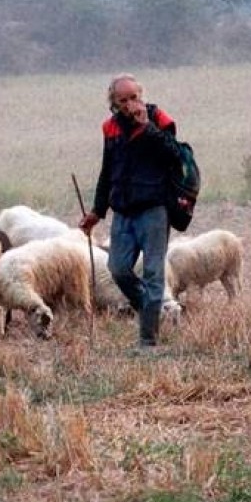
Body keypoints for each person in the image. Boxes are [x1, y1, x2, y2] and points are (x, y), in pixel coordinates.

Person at [78, 73, 183, 348]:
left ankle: (148, 341)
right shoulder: (110, 128)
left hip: (154, 210)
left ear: (141, 95)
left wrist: (147, 127)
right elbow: (107, 171)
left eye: (133, 97)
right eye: (122, 100)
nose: (129, 104)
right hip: (123, 213)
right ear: (113, 103)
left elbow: (174, 155)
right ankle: (151, 310)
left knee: (152, 273)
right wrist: (97, 212)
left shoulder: (159, 119)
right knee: (118, 269)